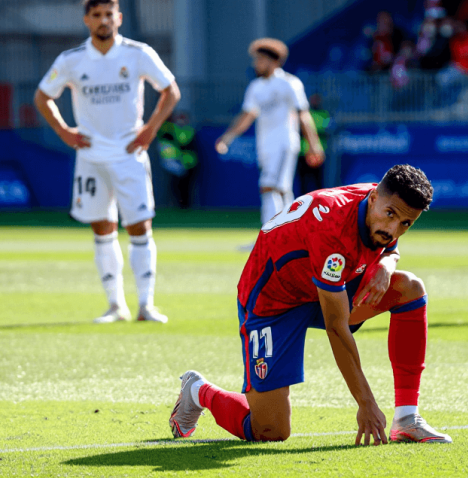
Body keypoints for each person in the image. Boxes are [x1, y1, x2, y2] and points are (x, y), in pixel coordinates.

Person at [168, 165, 451, 445]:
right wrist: (366, 403)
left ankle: (406, 419)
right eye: (390, 215)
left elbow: (388, 242)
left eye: (405, 224)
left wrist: (388, 263)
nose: (393, 229)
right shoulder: (333, 227)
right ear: (374, 198)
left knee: (409, 289)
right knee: (270, 430)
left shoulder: (379, 201)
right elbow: (337, 327)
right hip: (273, 302)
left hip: (324, 285)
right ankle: (198, 391)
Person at [34, 0, 180, 323]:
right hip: (91, 154)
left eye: (109, 14)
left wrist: (150, 129)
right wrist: (63, 131)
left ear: (119, 18)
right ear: (87, 19)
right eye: (97, 15)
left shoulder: (137, 53)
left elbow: (170, 91)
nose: (104, 20)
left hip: (130, 152)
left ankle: (146, 305)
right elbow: (43, 97)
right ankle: (116, 305)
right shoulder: (72, 60)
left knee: (140, 227)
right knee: (102, 228)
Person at [215, 38, 324, 225]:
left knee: (268, 186)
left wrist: (313, 144)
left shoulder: (289, 83)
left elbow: (303, 114)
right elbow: (247, 116)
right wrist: (227, 137)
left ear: (273, 61)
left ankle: (268, 235)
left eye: (259, 59)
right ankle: (288, 235)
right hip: (265, 146)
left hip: (283, 143)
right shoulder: (256, 87)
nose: (255, 64)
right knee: (281, 190)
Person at [297, 93, 330, 194]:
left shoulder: (324, 114)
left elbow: (327, 132)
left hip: (318, 153)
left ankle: (320, 204)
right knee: (303, 183)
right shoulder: (306, 114)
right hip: (303, 152)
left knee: (318, 182)